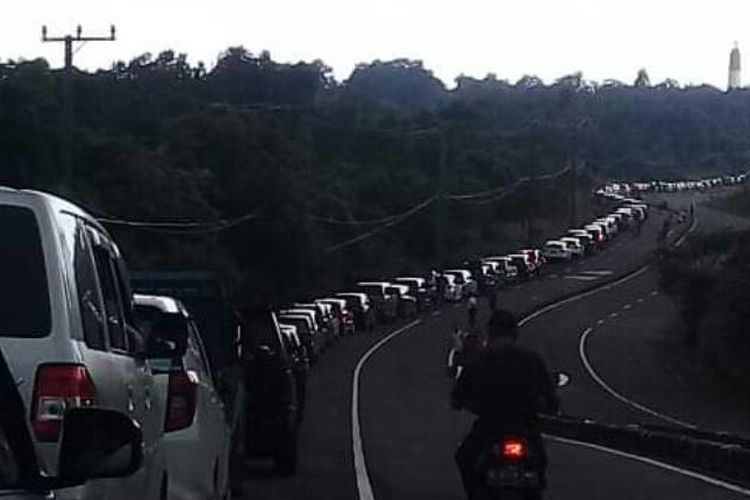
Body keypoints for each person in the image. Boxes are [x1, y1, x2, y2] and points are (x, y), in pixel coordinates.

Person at [451, 309, 559, 500]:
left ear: (491, 332)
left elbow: (458, 395)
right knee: (539, 463)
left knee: (464, 458)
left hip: (490, 429)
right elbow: (550, 396)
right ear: (514, 333)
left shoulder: (478, 361)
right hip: (526, 427)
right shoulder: (531, 360)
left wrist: (462, 403)